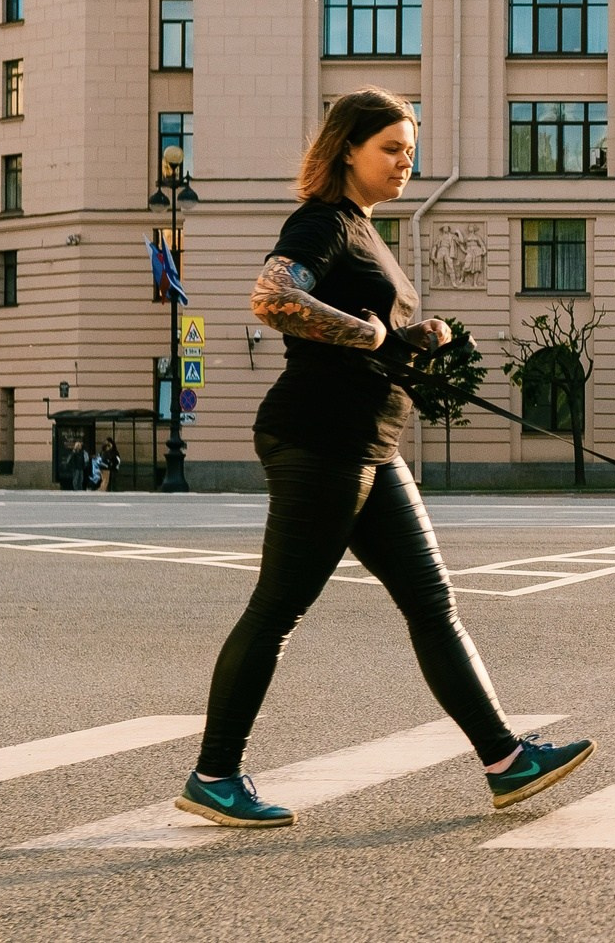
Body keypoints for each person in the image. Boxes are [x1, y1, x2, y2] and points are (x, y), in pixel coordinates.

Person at [177, 88, 591, 829]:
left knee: (432, 602)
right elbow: (271, 298)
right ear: (347, 150)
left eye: (411, 148)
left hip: (367, 441)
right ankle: (214, 773)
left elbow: (362, 325)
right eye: (392, 148)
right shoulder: (323, 221)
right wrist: (367, 337)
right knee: (278, 608)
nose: (407, 161)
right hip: (319, 438)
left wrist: (412, 336)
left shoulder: (365, 229)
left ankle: (504, 759)